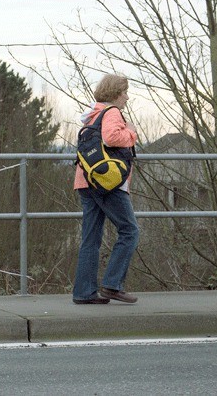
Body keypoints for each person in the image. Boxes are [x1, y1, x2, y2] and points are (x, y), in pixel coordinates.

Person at [72, 73, 139, 305]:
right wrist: (131, 132)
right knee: (130, 231)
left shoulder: (92, 114)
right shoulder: (111, 112)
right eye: (125, 93)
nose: (127, 98)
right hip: (106, 182)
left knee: (90, 238)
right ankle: (112, 285)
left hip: (86, 180)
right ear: (116, 94)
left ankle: (84, 293)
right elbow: (111, 138)